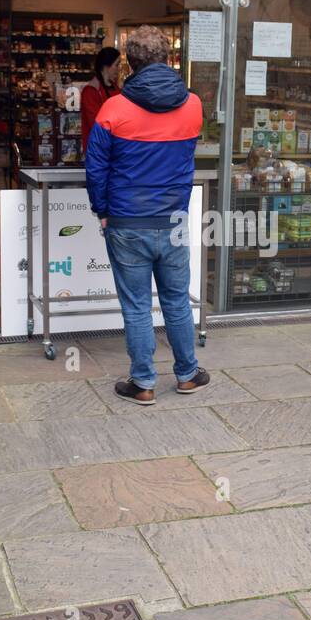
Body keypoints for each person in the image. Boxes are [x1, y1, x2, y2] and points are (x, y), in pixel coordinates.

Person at [85, 26, 209, 405]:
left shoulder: (113, 109)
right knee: (176, 300)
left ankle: (143, 383)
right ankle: (187, 374)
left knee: (137, 305)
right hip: (172, 220)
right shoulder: (193, 105)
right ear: (168, 59)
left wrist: (102, 211)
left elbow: (95, 169)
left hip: (126, 221)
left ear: (129, 63)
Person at [80, 46, 121, 152]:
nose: (119, 69)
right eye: (116, 65)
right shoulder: (90, 91)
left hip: (113, 148)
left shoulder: (115, 88)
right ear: (106, 66)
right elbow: (96, 124)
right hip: (97, 151)